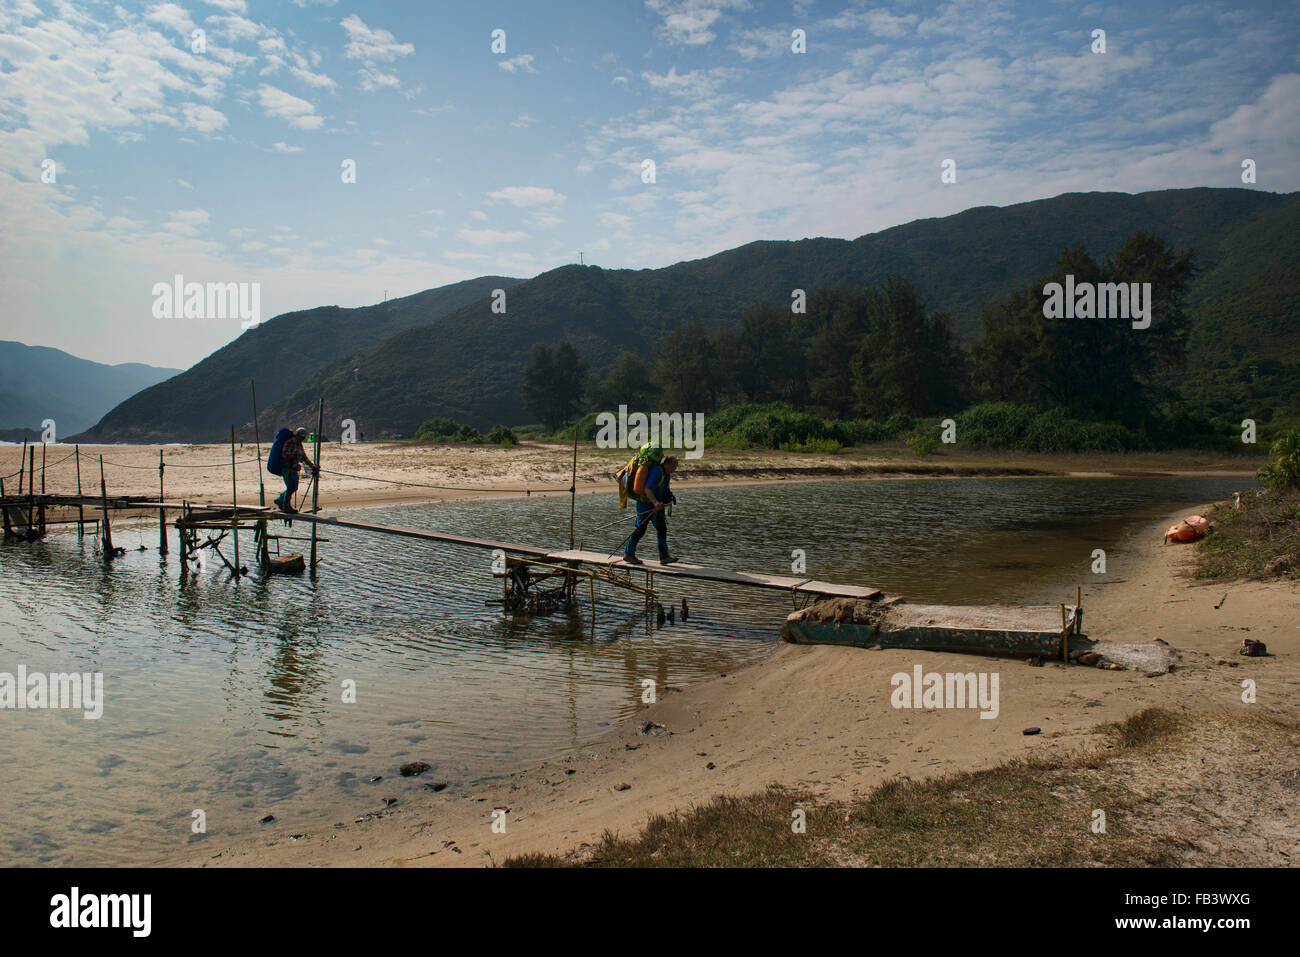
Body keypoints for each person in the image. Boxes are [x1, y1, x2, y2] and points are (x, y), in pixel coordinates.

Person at [622, 455, 678, 565]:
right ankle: (628, 554)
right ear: (666, 463)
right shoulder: (657, 471)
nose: (675, 468)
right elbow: (647, 489)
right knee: (640, 529)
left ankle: (664, 557)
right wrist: (656, 502)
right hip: (645, 505)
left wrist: (668, 500)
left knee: (662, 528)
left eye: (676, 466)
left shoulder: (666, 474)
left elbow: (664, 489)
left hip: (657, 506)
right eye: (673, 465)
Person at [274, 427, 317, 513]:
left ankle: (280, 501)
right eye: (301, 437)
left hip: (293, 469)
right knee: (291, 487)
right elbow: (285, 455)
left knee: (294, 487)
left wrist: (312, 466)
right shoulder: (290, 442)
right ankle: (286, 506)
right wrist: (294, 462)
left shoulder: (299, 444)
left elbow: (304, 457)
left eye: (304, 437)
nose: (303, 439)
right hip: (287, 469)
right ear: (297, 435)